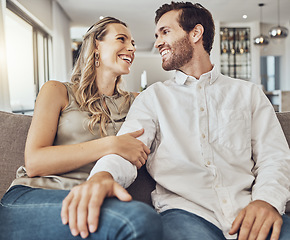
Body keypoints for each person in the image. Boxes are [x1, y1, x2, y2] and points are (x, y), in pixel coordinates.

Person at [64, 2, 290, 240]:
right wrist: (103, 176)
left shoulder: (249, 94)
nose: (158, 42)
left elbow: (274, 157)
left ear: (195, 33)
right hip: (185, 214)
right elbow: (127, 150)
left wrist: (267, 201)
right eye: (156, 35)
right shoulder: (153, 98)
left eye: (165, 32)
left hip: (250, 210)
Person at [0, 17, 163, 240]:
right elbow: (36, 162)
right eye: (121, 39)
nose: (131, 48)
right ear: (97, 46)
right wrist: (111, 144)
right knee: (137, 220)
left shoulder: (136, 102)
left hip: (89, 198)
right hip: (34, 195)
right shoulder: (57, 91)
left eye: (133, 43)